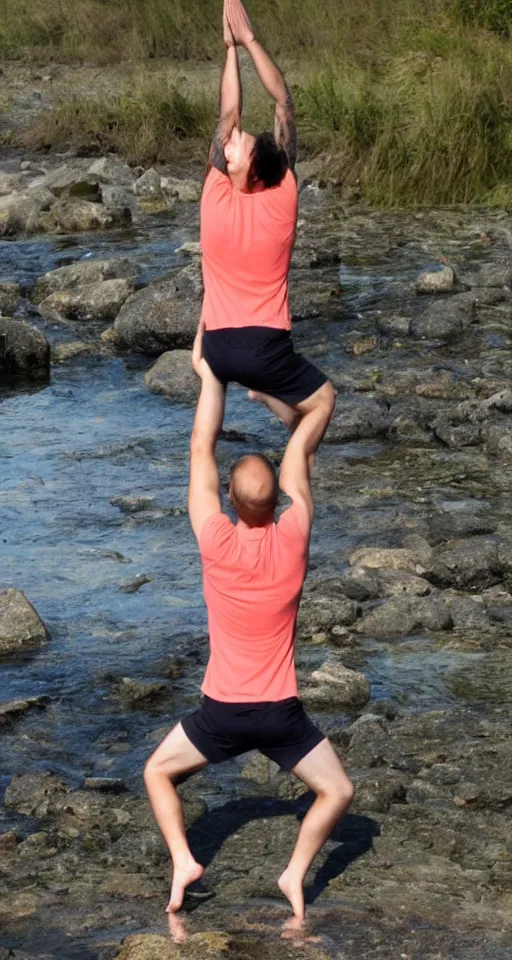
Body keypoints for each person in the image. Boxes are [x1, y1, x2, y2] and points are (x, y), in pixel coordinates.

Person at [144, 352, 354, 930]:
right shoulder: (295, 534)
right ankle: (294, 873)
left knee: (157, 772)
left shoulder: (214, 537)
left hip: (223, 713)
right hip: (281, 716)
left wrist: (213, 375)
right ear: (275, 503)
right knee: (336, 791)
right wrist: (285, 402)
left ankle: (184, 860)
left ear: (231, 505)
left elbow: (199, 451)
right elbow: (300, 461)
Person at [196, 0, 336, 435]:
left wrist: (230, 49)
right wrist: (249, 40)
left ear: (247, 171)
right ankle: (296, 479)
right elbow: (283, 103)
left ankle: (259, 396)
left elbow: (228, 116)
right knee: (322, 403)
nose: (234, 139)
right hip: (265, 348)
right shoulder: (282, 197)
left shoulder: (214, 196)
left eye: (240, 144)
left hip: (217, 347)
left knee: (213, 434)